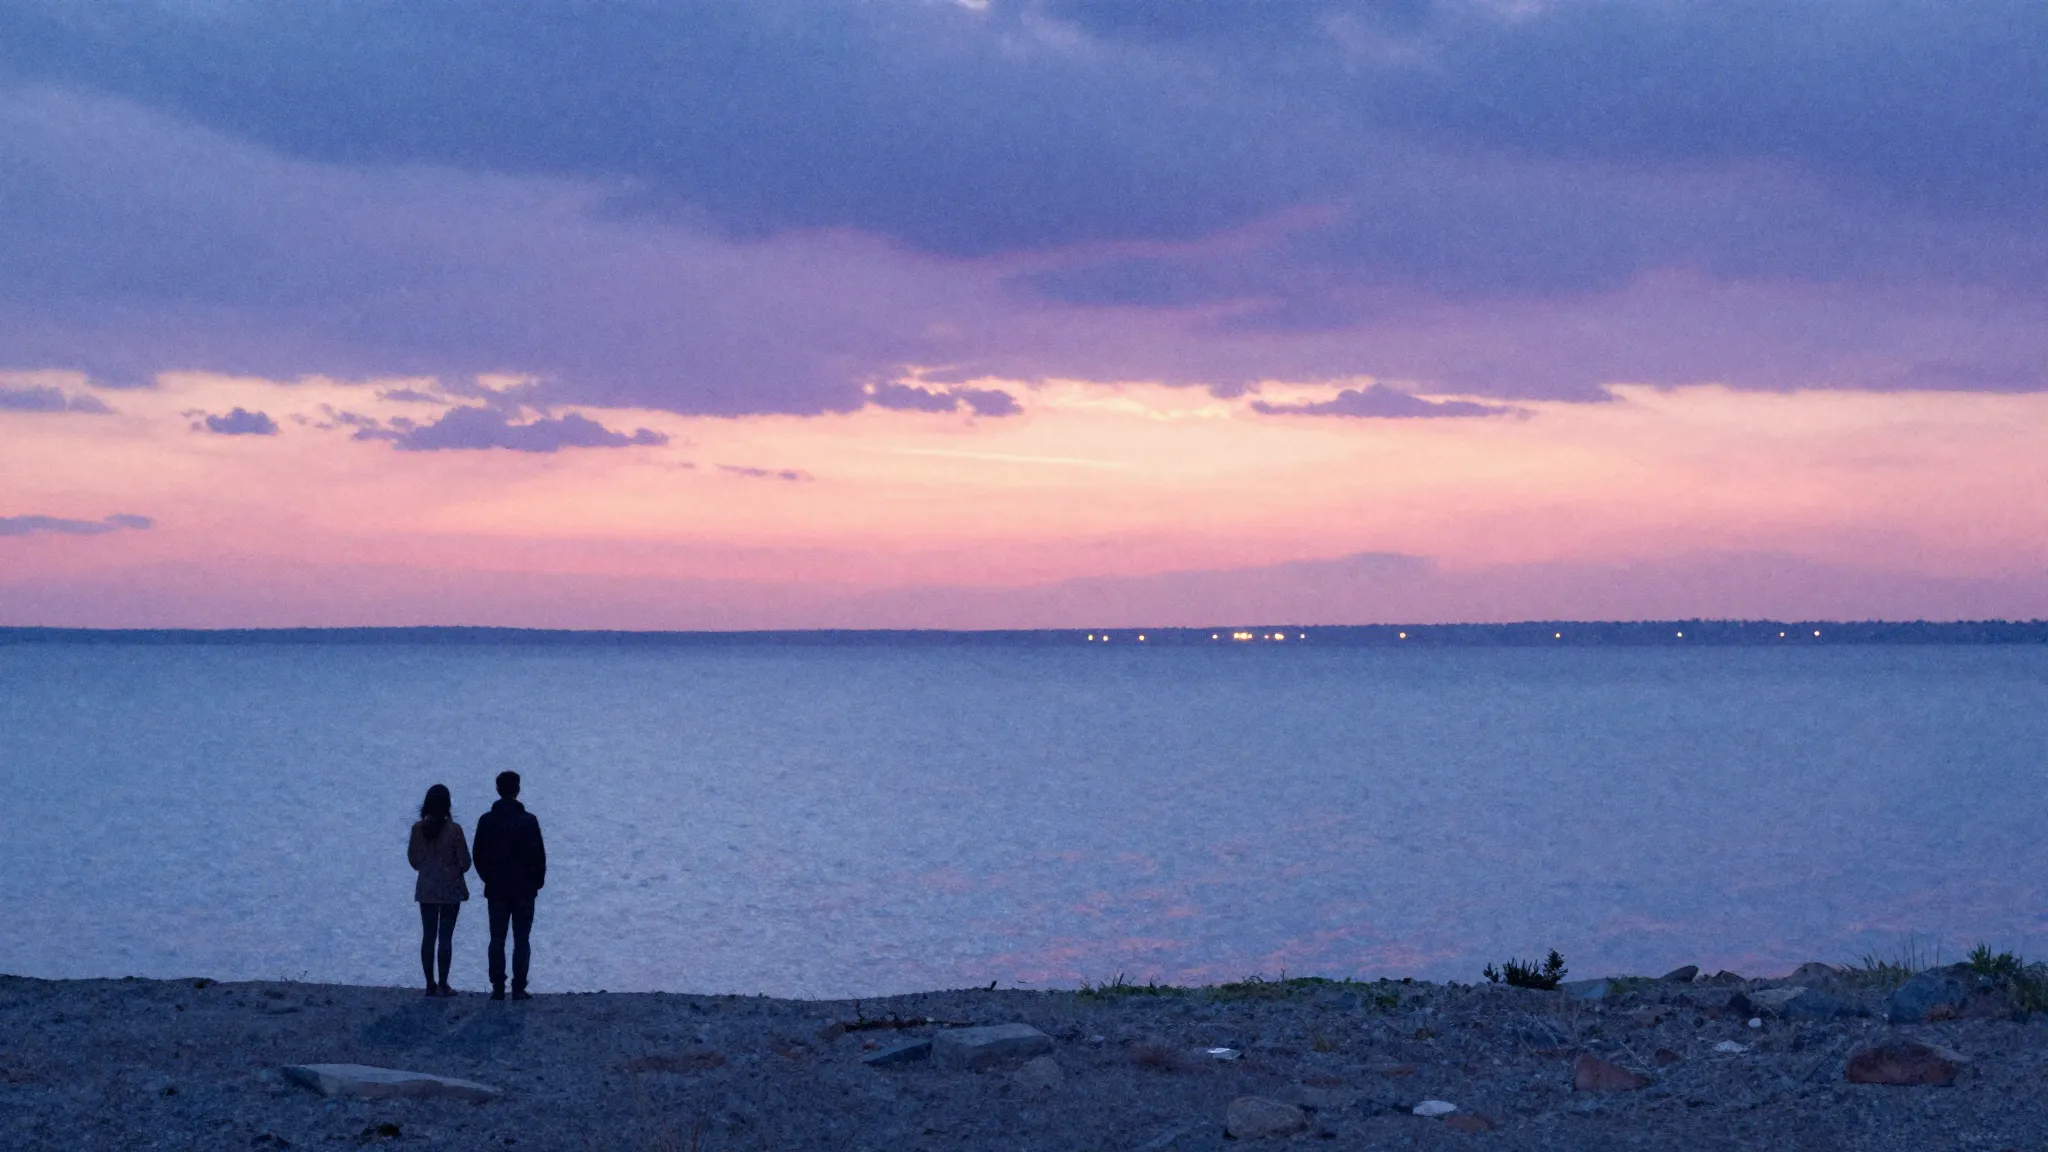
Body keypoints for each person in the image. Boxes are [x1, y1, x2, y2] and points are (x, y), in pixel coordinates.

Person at [471, 769, 546, 1000]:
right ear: (518, 789)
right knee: (521, 939)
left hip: (496, 888)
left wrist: (488, 877)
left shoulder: (487, 821)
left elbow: (478, 855)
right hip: (524, 890)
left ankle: (497, 987)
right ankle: (519, 987)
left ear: (498, 790)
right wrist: (536, 882)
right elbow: (539, 856)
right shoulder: (529, 821)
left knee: (497, 939)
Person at [407, 783, 471, 997]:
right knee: (445, 937)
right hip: (451, 889)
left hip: (427, 889)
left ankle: (429, 984)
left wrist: (427, 869)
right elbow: (465, 861)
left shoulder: (417, 829)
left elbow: (413, 859)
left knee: (428, 936)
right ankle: (443, 983)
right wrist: (453, 870)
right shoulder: (454, 830)